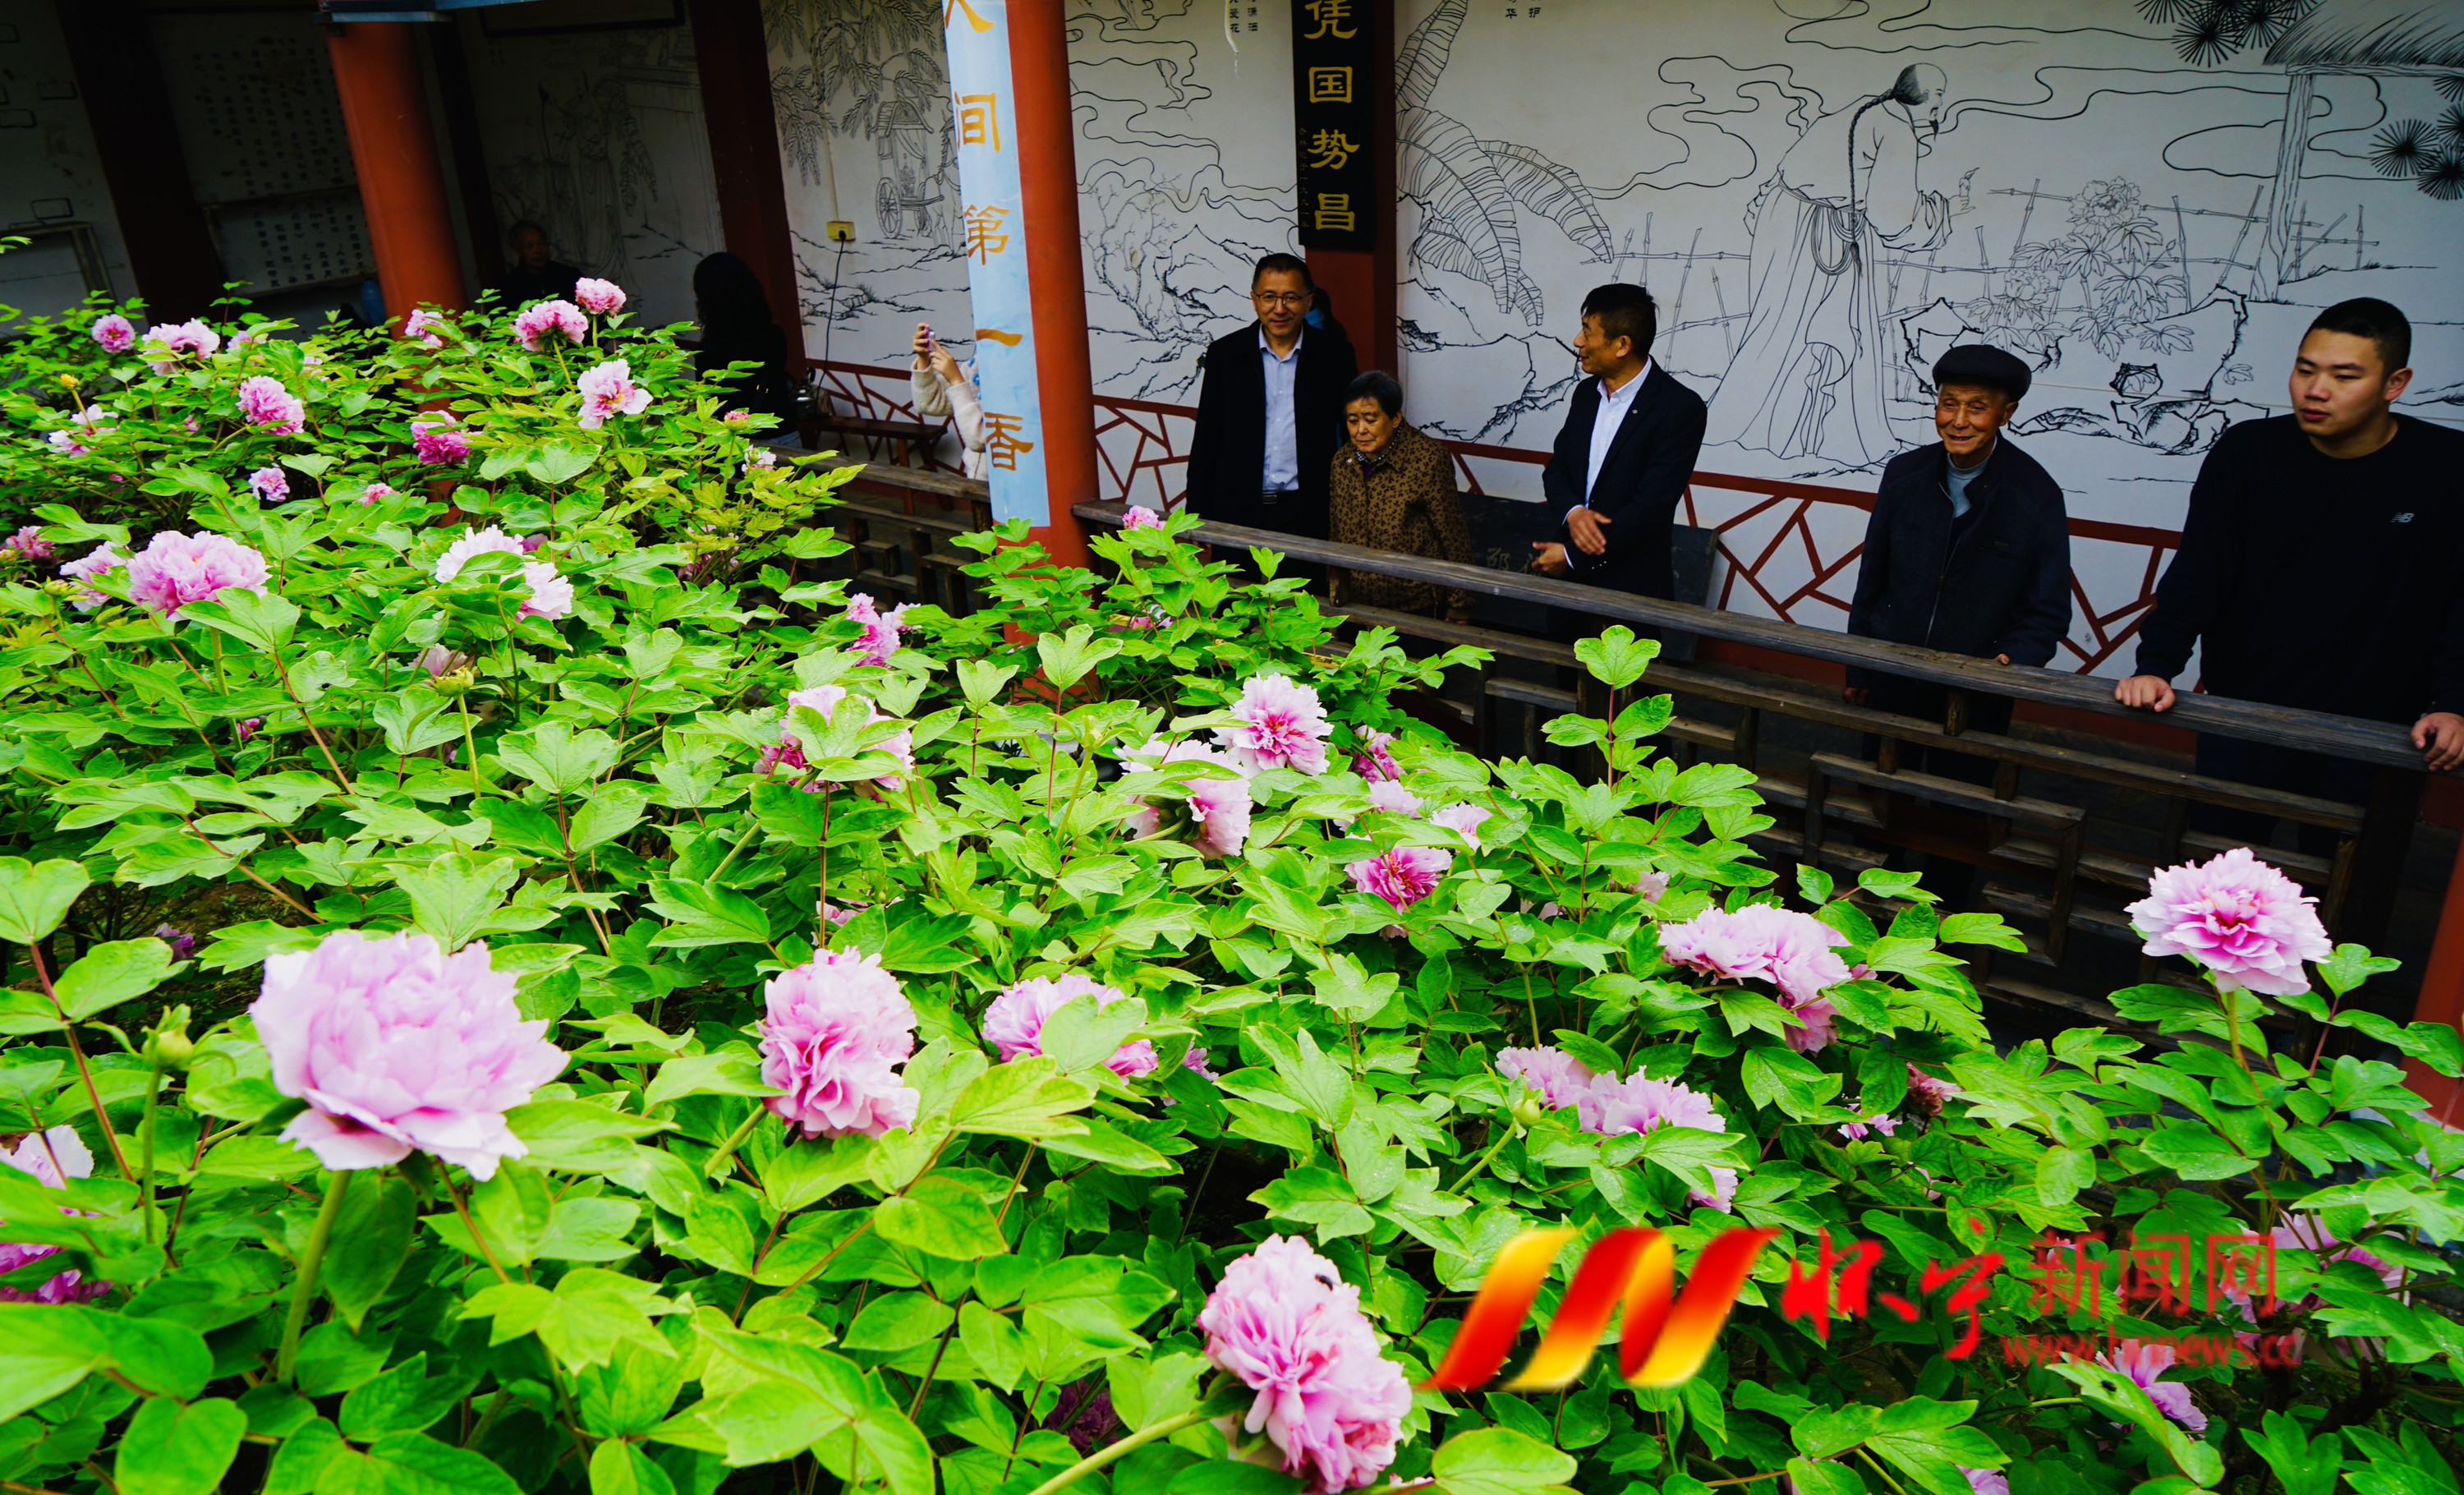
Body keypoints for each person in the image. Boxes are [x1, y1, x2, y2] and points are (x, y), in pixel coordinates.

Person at [2115, 297, 2464, 851]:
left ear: (2394, 384)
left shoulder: (2445, 467)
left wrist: (2452, 703)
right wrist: (2156, 665)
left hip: (2378, 730)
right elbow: (2201, 570)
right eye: (2305, 370)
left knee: (2347, 882)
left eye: (2344, 376)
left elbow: (2459, 598)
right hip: (2242, 713)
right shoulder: (2248, 451)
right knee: (2217, 877)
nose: (2315, 390)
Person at [1702, 64, 1956, 467]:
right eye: (1939, 94)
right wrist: (1939, 215)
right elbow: (1894, 217)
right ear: (1920, 95)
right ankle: (1787, 434)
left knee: (1788, 328)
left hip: (1788, 219)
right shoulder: (1894, 127)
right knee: (1816, 331)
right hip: (1820, 231)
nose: (1942, 103)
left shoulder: (1868, 109)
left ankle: (1799, 434)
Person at [1844, 343, 2071, 784]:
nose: (1959, 420)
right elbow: (1872, 577)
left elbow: (2048, 606)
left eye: (1977, 408)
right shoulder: (1904, 475)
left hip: (1978, 687)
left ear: (2006, 414)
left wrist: (2011, 660)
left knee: (1960, 801)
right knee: (1879, 791)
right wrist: (1859, 665)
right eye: (1949, 404)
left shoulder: (2036, 494)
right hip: (1894, 672)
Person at [1533, 284, 1708, 647]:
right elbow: (1557, 469)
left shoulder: (1679, 408)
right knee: (1562, 679)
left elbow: (1651, 506)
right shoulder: (1585, 395)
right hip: (1568, 593)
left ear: (1622, 344)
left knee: (1621, 687)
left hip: (1628, 593)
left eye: (1587, 331)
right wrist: (1574, 514)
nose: (1578, 341)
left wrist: (1572, 557)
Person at [1184, 254, 1358, 575]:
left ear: (1309, 301)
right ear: (1254, 300)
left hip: (1308, 512)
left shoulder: (1334, 355)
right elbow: (1207, 438)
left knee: (1306, 601)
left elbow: (1352, 435)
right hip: (1237, 511)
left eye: (1291, 297)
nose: (1279, 308)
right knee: (1237, 602)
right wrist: (1195, 517)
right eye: (1269, 297)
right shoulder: (1226, 355)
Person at [1326, 370, 1474, 622]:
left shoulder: (1427, 459)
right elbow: (1336, 531)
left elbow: (1452, 533)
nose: (1361, 430)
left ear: (1395, 418)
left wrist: (1460, 601)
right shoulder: (1343, 461)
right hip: (1356, 602)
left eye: (1370, 420)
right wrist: (1334, 596)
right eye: (1353, 421)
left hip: (1414, 603)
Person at [692, 252, 800, 435]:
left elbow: (708, 401)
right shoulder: (774, 336)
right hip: (781, 429)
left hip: (735, 439)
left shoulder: (708, 351)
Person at [910, 323, 986, 478]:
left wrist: (957, 382)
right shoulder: (980, 362)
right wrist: (923, 358)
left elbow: (979, 440)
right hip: (976, 477)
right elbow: (928, 403)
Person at [495, 221, 582, 307]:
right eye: (530, 246)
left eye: (541, 244)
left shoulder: (569, 275)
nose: (537, 250)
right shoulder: (507, 287)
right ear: (517, 250)